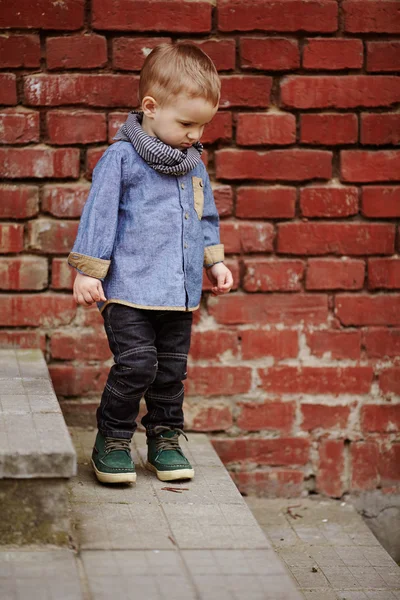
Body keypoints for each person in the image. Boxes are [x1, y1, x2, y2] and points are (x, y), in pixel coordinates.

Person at [67, 43, 233, 485]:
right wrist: (87, 270)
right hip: (128, 291)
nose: (195, 134)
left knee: (171, 372)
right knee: (139, 364)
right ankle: (114, 439)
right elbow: (99, 214)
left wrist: (213, 261)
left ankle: (164, 439)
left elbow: (206, 217)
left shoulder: (194, 164)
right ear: (150, 108)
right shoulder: (122, 159)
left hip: (178, 292)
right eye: (186, 123)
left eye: (201, 126)